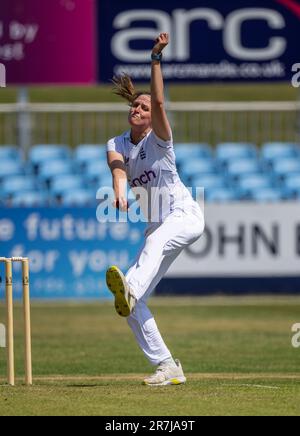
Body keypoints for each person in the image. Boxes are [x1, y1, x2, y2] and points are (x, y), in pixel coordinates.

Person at [106, 33, 204, 386]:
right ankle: (167, 366)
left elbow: (161, 103)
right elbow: (118, 168)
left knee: (151, 248)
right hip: (157, 224)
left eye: (143, 108)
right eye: (135, 106)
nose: (138, 109)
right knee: (134, 307)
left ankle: (130, 286)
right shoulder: (116, 143)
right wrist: (118, 192)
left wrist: (155, 59)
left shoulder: (159, 138)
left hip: (185, 216)